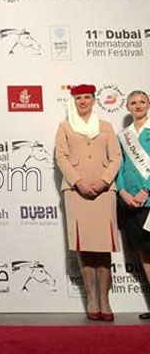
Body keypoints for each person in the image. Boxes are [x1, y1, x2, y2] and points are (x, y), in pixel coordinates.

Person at [55, 84, 122, 322]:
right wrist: (78, 182)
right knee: (84, 247)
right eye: (78, 98)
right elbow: (61, 157)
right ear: (73, 101)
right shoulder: (65, 127)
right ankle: (92, 298)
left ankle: (105, 299)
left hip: (104, 193)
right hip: (77, 193)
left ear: (94, 100)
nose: (83, 101)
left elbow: (116, 157)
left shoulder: (106, 126)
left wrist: (104, 182)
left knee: (103, 247)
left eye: (87, 97)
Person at [116, 90, 150, 319]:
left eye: (142, 102)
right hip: (131, 202)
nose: (138, 106)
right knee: (144, 253)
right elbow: (119, 166)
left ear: (149, 104)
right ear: (128, 107)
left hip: (149, 199)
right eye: (133, 103)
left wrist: (146, 189)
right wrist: (122, 191)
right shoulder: (123, 135)